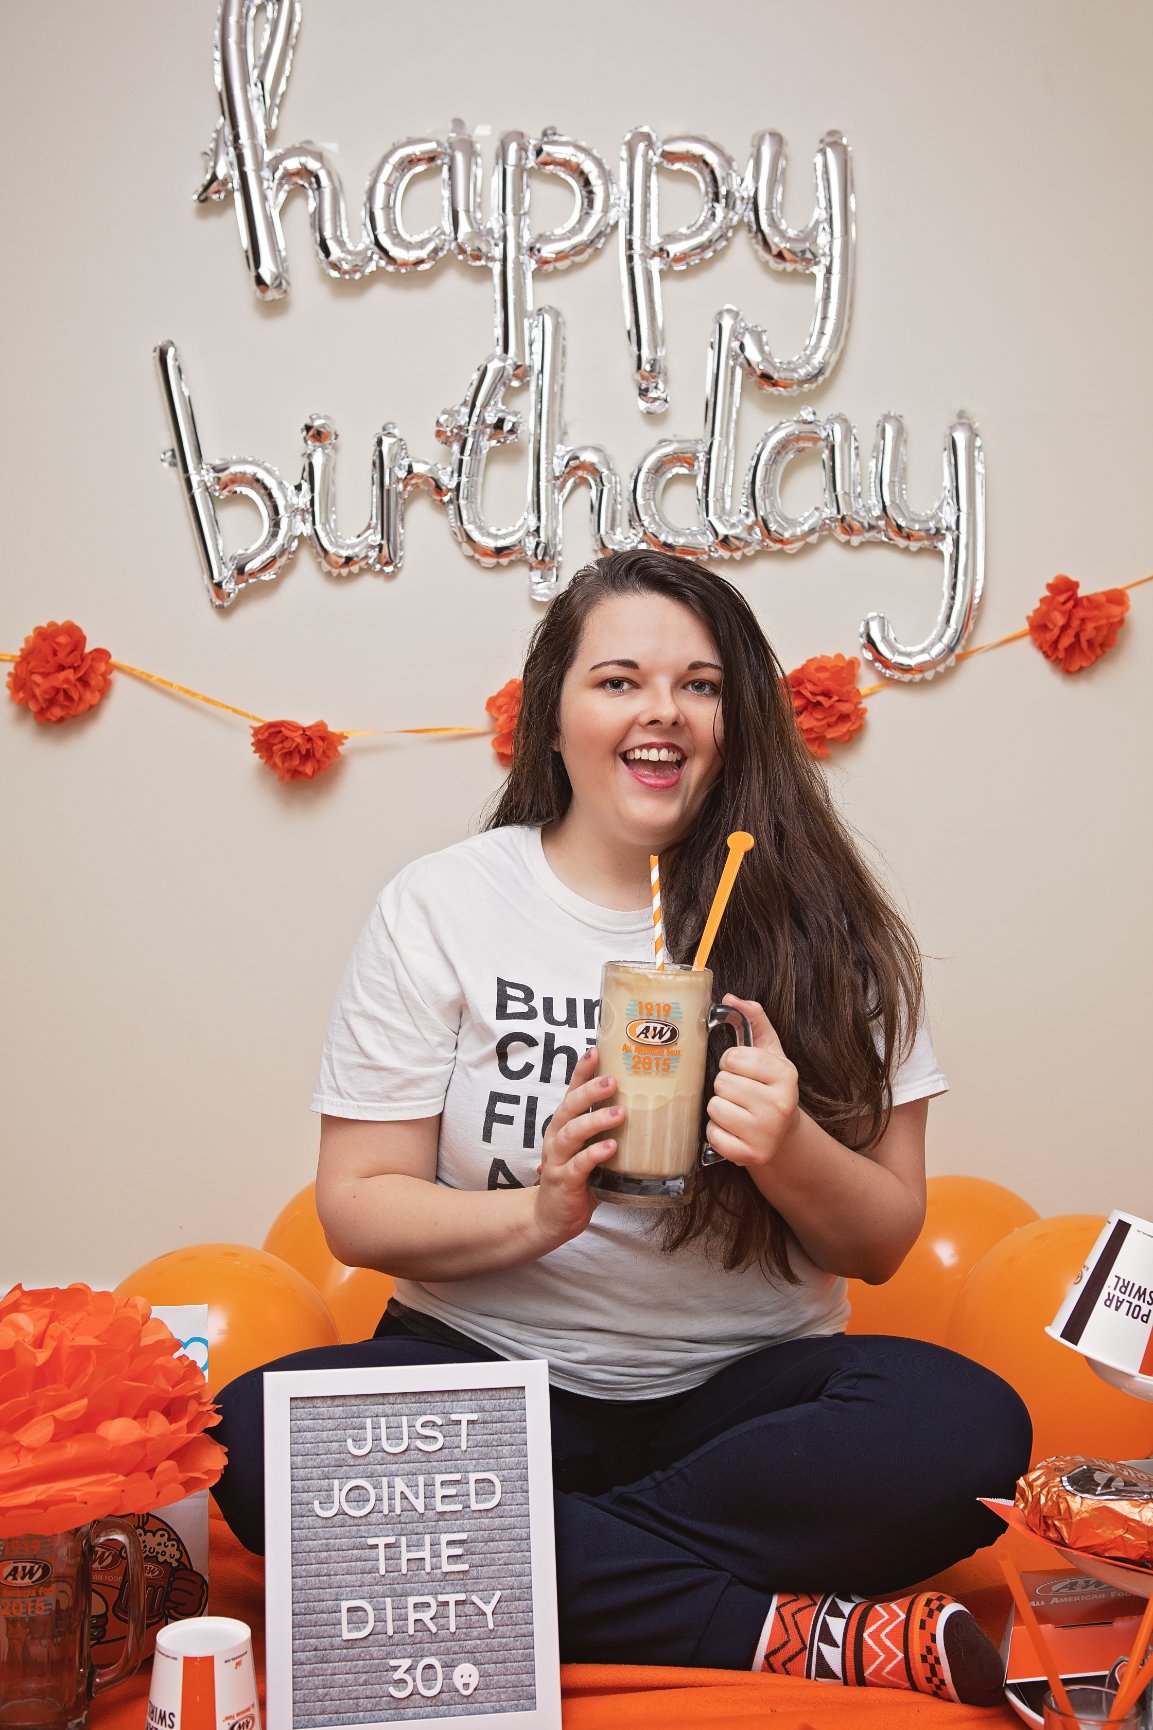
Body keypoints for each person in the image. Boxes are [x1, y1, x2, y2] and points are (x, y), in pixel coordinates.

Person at [213, 549, 1030, 1704]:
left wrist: (789, 1147)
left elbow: (884, 1240)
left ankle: (529, 1553)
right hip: (489, 1376)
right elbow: (355, 1202)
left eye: (700, 683)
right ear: (552, 716)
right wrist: (539, 1210)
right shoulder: (446, 903)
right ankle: (782, 1632)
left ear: (738, 720)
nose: (661, 710)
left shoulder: (824, 925)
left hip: (747, 1402)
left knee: (969, 1428)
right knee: (258, 1440)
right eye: (618, 680)